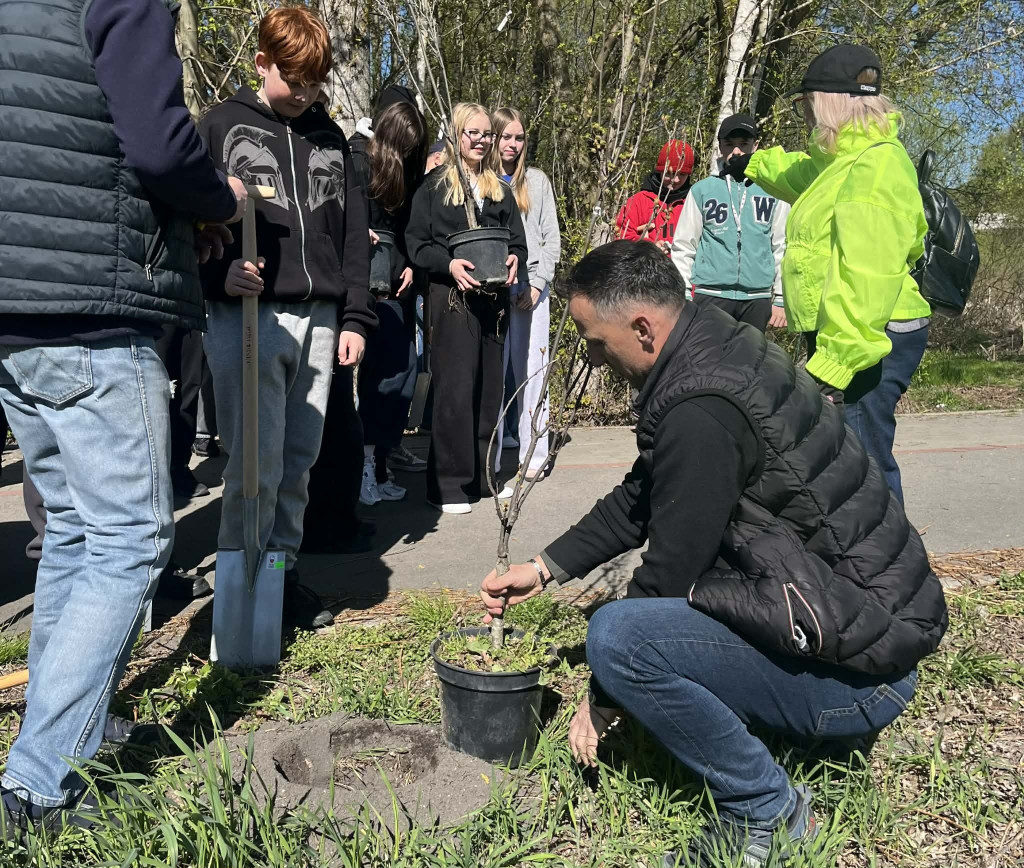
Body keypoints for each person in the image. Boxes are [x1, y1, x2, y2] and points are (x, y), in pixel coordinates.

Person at [480, 241, 947, 868]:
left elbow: (670, 572)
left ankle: (769, 813)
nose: (593, 356)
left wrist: (603, 695)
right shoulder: (714, 341)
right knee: (643, 625)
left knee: (620, 638)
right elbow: (645, 496)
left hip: (866, 674)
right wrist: (542, 568)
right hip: (870, 633)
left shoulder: (701, 407)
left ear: (642, 328)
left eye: (594, 340)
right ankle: (810, 735)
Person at [0, 0, 243, 834]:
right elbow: (157, 142)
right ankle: (38, 788)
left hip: (18, 302)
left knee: (73, 528)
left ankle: (73, 730)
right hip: (91, 313)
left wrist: (175, 226)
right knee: (132, 536)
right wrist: (217, 198)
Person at [199, 6, 374, 628]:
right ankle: (238, 588)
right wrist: (213, 277)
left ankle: (280, 575)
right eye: (291, 79)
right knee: (254, 464)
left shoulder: (331, 138)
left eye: (314, 82)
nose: (303, 94)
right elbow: (182, 226)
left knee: (299, 460)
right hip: (247, 317)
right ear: (261, 62)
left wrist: (355, 317)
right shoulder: (219, 127)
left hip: (321, 318)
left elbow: (355, 235)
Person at [728, 44, 930, 504]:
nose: (807, 115)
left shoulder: (876, 165)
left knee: (863, 462)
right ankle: (866, 566)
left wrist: (837, 363)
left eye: (807, 104)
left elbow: (866, 276)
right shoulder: (842, 159)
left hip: (868, 335)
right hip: (850, 332)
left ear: (831, 100)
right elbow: (802, 173)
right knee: (848, 457)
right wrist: (753, 164)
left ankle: (893, 572)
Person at [406, 102, 528, 514]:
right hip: (451, 299)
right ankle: (449, 486)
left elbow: (517, 242)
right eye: (471, 133)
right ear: (457, 136)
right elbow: (417, 244)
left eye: (486, 134)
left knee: (489, 390)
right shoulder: (435, 187)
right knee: (456, 390)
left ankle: (483, 477)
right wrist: (448, 264)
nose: (480, 140)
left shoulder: (499, 189)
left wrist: (514, 259)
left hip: (492, 301)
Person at [352, 87, 430, 505]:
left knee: (403, 371)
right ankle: (365, 465)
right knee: (378, 376)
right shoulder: (356, 158)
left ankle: (381, 460)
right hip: (363, 283)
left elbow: (408, 229)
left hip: (398, 283)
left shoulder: (406, 166)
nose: (406, 153)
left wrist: (411, 267)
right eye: (403, 145)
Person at [490, 107, 561, 481]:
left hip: (531, 292)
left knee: (532, 374)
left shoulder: (537, 182)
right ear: (493, 137)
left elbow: (551, 241)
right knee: (493, 376)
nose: (513, 144)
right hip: (491, 291)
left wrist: (536, 285)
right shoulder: (481, 181)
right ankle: (492, 455)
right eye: (506, 137)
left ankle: (533, 453)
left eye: (519, 138)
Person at [670, 114, 788, 332]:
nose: (736, 151)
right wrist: (683, 294)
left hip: (757, 298)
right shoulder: (702, 190)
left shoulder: (774, 190)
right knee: (706, 362)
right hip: (710, 296)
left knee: (750, 363)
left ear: (756, 145)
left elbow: (781, 245)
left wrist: (780, 298)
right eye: (730, 144)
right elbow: (684, 245)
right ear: (720, 146)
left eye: (744, 144)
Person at [616, 140, 695, 252]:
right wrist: (649, 248)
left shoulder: (693, 203)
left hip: (681, 268)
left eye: (682, 174)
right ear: (660, 171)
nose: (675, 180)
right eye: (669, 173)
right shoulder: (638, 201)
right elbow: (620, 239)